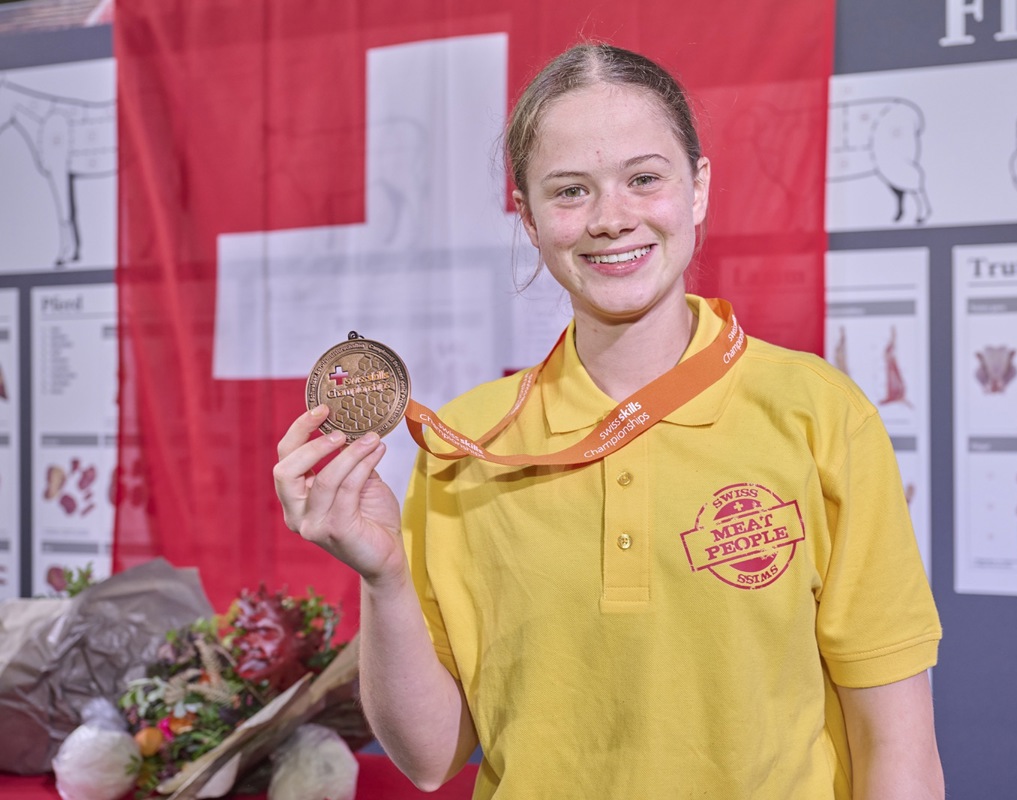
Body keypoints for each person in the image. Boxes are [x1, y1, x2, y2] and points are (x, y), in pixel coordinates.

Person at [275, 42, 944, 799]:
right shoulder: (467, 444)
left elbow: (899, 745)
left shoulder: (819, 413)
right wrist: (385, 574)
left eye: (645, 179)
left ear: (697, 190)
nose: (611, 219)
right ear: (527, 218)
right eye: (569, 192)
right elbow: (429, 757)